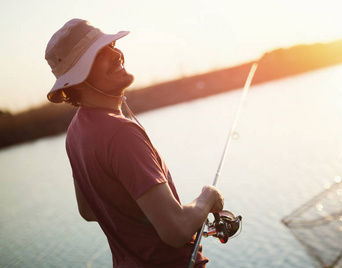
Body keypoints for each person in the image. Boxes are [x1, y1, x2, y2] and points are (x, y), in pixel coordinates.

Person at [45, 18, 224, 267]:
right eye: (100, 54)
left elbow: (88, 210)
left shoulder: (76, 132)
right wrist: (208, 197)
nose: (116, 54)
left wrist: (148, 216)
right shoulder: (120, 133)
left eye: (112, 45)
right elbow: (175, 231)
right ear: (79, 79)